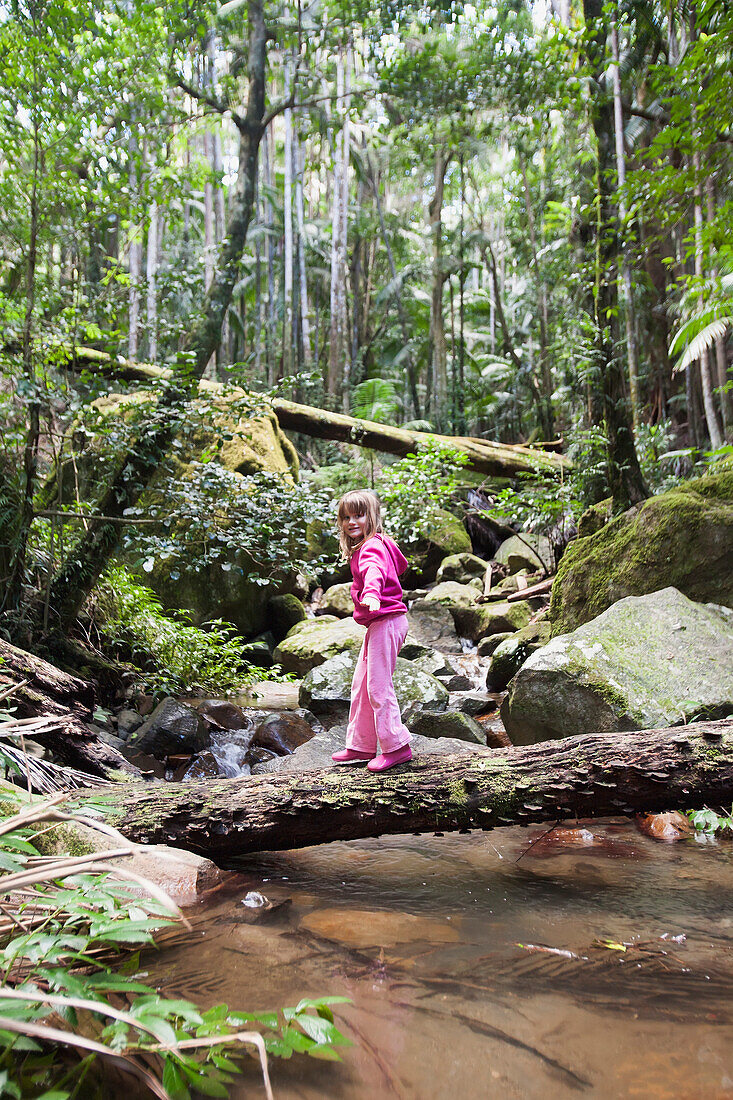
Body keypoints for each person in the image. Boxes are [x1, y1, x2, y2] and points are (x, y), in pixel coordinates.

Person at [331, 489, 413, 773]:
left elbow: (374, 570)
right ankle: (361, 744)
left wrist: (373, 594)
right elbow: (397, 567)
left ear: (373, 517)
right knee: (362, 682)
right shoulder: (373, 544)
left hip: (387, 619)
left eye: (359, 515)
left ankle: (397, 747)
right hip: (382, 622)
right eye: (346, 517)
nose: (352, 522)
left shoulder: (371, 547)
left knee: (378, 686)